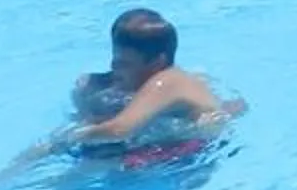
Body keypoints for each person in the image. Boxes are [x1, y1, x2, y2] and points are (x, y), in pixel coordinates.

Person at [37, 9, 242, 167]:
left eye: (125, 64)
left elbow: (119, 130)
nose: (113, 68)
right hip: (154, 143)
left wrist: (68, 137)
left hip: (192, 154)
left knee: (73, 157)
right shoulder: (151, 82)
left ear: (158, 62)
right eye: (114, 60)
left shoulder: (169, 82)